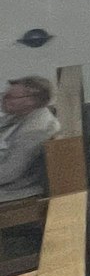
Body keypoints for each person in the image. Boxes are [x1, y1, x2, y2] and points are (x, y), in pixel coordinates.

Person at [0, 75, 58, 203]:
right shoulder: (21, 115)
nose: (3, 100)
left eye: (9, 97)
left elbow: (9, 173)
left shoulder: (35, 130)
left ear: (31, 101)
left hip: (15, 189)